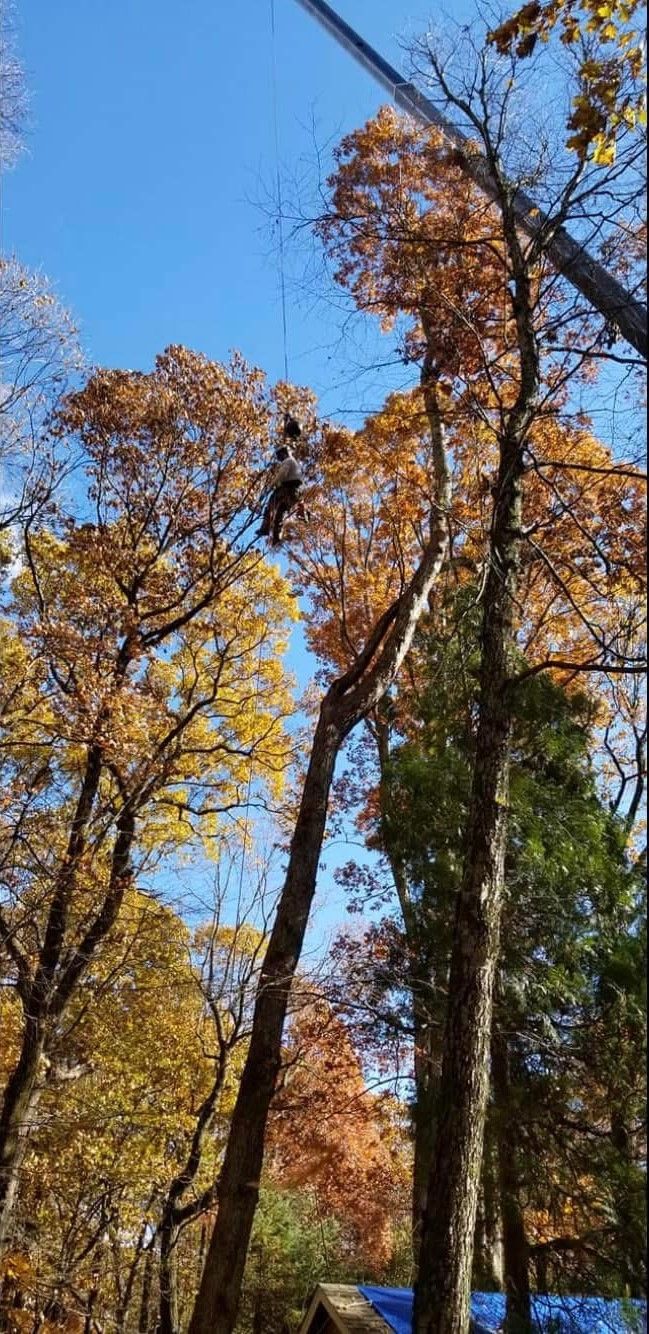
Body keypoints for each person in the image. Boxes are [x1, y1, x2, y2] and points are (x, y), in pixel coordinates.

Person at [257, 416, 305, 546]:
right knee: (280, 513)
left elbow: (281, 475)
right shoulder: (293, 461)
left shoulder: (288, 461)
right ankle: (276, 536)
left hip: (289, 489)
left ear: (283, 454)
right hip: (295, 492)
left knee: (271, 503)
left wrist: (271, 485)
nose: (279, 460)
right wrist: (286, 422)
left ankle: (265, 527)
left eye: (279, 457)